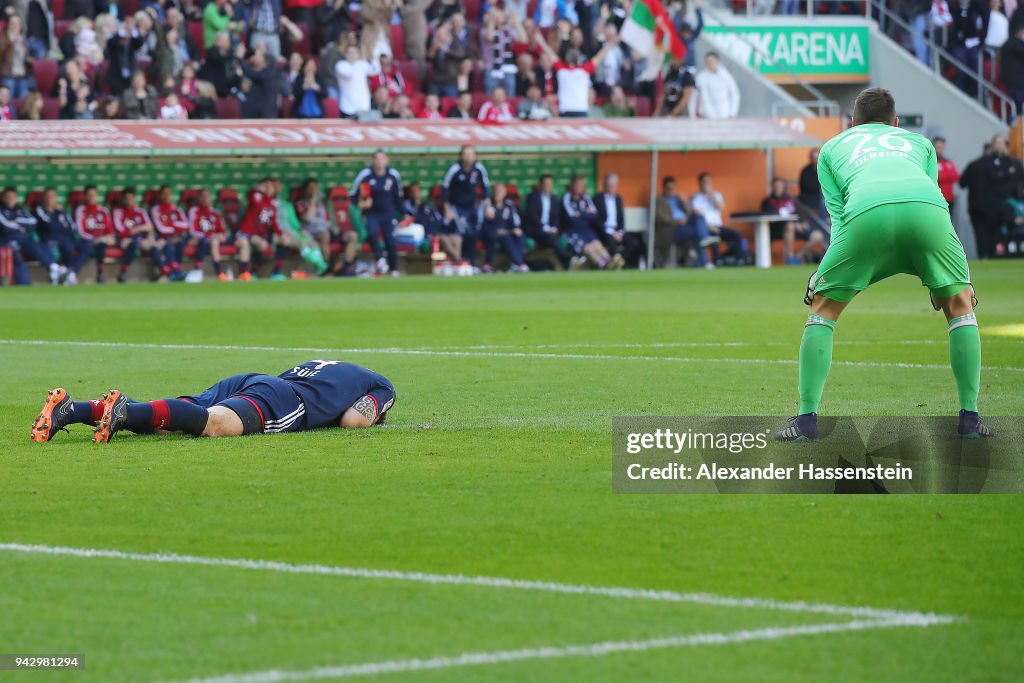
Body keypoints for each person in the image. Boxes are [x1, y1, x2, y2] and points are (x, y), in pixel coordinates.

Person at [775, 88, 989, 442]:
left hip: (866, 217)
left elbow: (839, 217)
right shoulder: (919, 144)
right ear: (895, 123)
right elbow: (932, 197)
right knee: (960, 306)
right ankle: (969, 420)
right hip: (928, 218)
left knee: (823, 309)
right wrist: (957, 276)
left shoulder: (832, 147)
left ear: (852, 122)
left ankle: (806, 421)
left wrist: (825, 270)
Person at [30, 360, 396, 444]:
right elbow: (354, 421)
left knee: (176, 415)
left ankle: (73, 410)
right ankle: (122, 408)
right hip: (286, 401)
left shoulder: (336, 367)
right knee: (213, 425)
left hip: (254, 379)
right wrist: (377, 412)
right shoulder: (382, 384)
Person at [959, 134, 1024, 258]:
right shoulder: (1006, 164)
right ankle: (993, 255)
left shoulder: (974, 164)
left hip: (975, 206)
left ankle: (983, 256)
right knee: (995, 233)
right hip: (994, 205)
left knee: (980, 234)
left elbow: (962, 182)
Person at [533, 29, 616, 118]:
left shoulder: (562, 70)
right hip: (580, 109)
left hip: (565, 109)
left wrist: (541, 41)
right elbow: (599, 57)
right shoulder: (584, 70)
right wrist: (610, 44)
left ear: (567, 59)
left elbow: (550, 54)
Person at [351, 151, 404, 276]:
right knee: (371, 233)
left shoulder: (393, 175)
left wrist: (402, 214)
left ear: (387, 160)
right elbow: (354, 194)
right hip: (372, 213)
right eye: (377, 159)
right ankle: (380, 259)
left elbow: (398, 196)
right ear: (373, 160)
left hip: (388, 212)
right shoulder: (366, 175)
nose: (380, 162)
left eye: (382, 159)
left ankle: (394, 268)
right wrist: (360, 204)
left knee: (390, 240)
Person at [0, 186, 61, 285]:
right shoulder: (1, 209)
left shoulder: (20, 209)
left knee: (40, 245)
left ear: (16, 198)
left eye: (13, 197)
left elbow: (33, 222)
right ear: (3, 198)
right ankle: (24, 284)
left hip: (24, 240)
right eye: (8, 197)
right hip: (7, 241)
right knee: (17, 257)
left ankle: (54, 268)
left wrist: (17, 221)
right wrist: (21, 226)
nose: (11, 199)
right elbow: (6, 226)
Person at [561, 175, 623, 269]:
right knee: (588, 248)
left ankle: (610, 261)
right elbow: (571, 218)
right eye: (578, 184)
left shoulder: (585, 197)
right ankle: (603, 265)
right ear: (572, 185)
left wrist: (580, 214)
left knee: (597, 244)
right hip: (573, 232)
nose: (580, 187)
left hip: (587, 230)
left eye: (582, 185)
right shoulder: (567, 197)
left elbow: (594, 215)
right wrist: (586, 213)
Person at [442, 145, 490, 267]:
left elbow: (485, 188)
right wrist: (447, 208)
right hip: (457, 207)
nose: (468, 157)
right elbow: (445, 188)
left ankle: (472, 263)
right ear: (461, 156)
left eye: (470, 154)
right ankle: (462, 261)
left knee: (474, 233)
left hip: (473, 206)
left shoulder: (479, 168)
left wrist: (488, 206)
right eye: (466, 154)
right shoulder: (454, 169)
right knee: (464, 232)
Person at [761, 177, 826, 265]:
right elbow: (771, 217)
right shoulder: (768, 201)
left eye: (780, 186)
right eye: (776, 187)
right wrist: (794, 224)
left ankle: (797, 257)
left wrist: (803, 222)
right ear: (772, 187)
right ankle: (790, 257)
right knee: (790, 225)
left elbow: (800, 212)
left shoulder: (790, 199)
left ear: (783, 187)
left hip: (797, 227)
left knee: (818, 235)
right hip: (779, 229)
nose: (778, 189)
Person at [654, 176, 715, 269]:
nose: (671, 190)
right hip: (673, 229)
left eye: (673, 188)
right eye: (669, 188)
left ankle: (703, 245)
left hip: (686, 224)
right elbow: (659, 217)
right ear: (664, 188)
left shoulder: (678, 199)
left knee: (699, 216)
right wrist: (677, 221)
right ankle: (704, 257)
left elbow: (689, 212)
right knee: (697, 234)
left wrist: (684, 201)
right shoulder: (658, 200)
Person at [690, 172, 748, 265]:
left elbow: (720, 207)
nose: (707, 184)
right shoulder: (696, 197)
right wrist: (708, 226)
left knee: (736, 234)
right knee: (713, 237)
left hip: (718, 227)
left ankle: (738, 259)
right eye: (704, 182)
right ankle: (717, 261)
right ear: (700, 183)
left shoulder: (716, 195)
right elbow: (697, 215)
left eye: (708, 182)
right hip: (705, 228)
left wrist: (711, 195)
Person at [34, 188, 87, 285]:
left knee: (86, 245)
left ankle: (71, 273)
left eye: (52, 196)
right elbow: (49, 226)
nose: (50, 199)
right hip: (48, 239)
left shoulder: (62, 211)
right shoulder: (39, 210)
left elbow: (72, 227)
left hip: (65, 239)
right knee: (37, 246)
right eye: (48, 197)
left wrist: (61, 223)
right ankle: (60, 271)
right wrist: (62, 225)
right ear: (44, 198)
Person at [112, 187, 165, 283]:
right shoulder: (117, 212)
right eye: (126, 199)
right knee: (132, 244)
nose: (129, 201)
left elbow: (149, 227)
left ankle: (163, 272)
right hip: (124, 239)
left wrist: (150, 235)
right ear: (123, 199)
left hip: (140, 238)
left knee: (153, 246)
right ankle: (123, 272)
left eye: (131, 198)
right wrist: (139, 228)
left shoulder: (140, 211)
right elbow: (121, 231)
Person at [595, 173, 644, 268]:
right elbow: (597, 221)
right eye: (609, 185)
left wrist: (620, 232)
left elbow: (621, 218)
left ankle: (620, 261)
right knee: (611, 243)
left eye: (613, 185)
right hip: (604, 231)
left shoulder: (618, 199)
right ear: (604, 185)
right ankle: (617, 263)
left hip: (617, 231)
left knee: (634, 242)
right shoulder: (597, 199)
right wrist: (611, 232)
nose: (611, 188)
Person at [523, 174, 571, 269]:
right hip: (535, 229)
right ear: (540, 184)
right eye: (546, 184)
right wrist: (546, 228)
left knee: (556, 236)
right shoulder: (532, 197)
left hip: (549, 231)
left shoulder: (554, 199)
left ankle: (566, 260)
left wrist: (554, 227)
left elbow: (556, 217)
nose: (548, 186)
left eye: (550, 184)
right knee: (551, 237)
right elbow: (532, 217)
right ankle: (566, 258)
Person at [481, 182, 529, 272]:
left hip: (508, 231)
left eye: (500, 191)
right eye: (496, 191)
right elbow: (481, 223)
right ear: (493, 192)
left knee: (519, 235)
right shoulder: (487, 205)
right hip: (492, 232)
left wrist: (516, 228)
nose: (498, 193)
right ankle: (519, 263)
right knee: (505, 237)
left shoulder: (509, 205)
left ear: (505, 192)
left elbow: (515, 219)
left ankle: (517, 263)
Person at [74, 185, 116, 283]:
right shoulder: (81, 210)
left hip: (102, 240)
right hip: (86, 240)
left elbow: (110, 229)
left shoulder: (103, 210)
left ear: (97, 196)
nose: (91, 197)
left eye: (93, 194)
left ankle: (101, 273)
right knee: (88, 246)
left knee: (128, 243)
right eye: (89, 195)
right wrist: (95, 239)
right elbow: (81, 231)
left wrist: (108, 237)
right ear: (85, 196)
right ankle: (73, 273)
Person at [187, 187, 229, 281]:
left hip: (214, 238)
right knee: (208, 240)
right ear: (198, 198)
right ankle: (216, 272)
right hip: (201, 238)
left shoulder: (215, 212)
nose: (205, 198)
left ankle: (219, 273)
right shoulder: (194, 210)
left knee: (214, 241)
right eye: (202, 196)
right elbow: (192, 230)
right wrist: (209, 235)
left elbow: (222, 231)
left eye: (207, 196)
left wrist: (221, 236)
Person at [151, 184, 189, 279]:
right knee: (166, 243)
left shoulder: (177, 209)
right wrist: (176, 226)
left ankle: (175, 270)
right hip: (162, 238)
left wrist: (170, 224)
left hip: (177, 237)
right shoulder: (156, 209)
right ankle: (173, 272)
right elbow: (161, 228)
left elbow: (186, 225)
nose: (167, 196)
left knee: (180, 241)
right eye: (164, 194)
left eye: (169, 193)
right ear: (160, 195)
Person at [335, 42, 376, 118]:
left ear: (358, 54)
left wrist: (373, 56)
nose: (352, 55)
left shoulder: (362, 64)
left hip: (363, 105)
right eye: (349, 52)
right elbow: (350, 74)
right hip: (347, 107)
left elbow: (376, 70)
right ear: (345, 54)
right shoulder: (341, 65)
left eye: (354, 52)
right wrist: (361, 60)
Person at [694, 52, 739, 119]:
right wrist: (695, 114)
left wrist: (732, 113)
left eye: (712, 61)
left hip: (724, 114)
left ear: (718, 61)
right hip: (706, 116)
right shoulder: (701, 77)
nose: (710, 64)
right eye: (708, 62)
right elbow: (695, 96)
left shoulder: (726, 76)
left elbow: (735, 94)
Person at [1001, 22, 1024, 115]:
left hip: (1013, 82)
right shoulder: (1014, 43)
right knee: (1017, 109)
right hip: (1016, 83)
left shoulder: (1008, 43)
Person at [933, 136, 960, 213]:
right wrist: (948, 175)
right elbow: (934, 177)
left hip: (949, 199)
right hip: (936, 200)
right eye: (938, 146)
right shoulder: (931, 162)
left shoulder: (948, 162)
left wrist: (943, 176)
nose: (940, 149)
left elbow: (956, 177)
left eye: (941, 146)